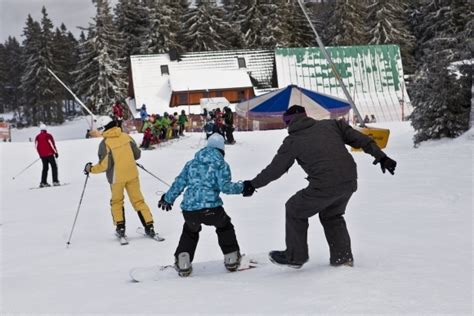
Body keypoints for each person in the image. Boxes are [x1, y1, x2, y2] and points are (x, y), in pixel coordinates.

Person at [242, 105, 397, 269]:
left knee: (295, 208)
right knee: (332, 215)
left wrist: (253, 184)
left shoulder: (293, 141)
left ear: (288, 123)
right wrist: (382, 157)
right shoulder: (332, 125)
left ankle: (295, 256)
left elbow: (275, 169)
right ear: (306, 116)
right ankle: (342, 258)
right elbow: (362, 139)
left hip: (325, 184)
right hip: (349, 180)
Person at [158, 133, 244, 277]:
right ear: (222, 150)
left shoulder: (191, 163)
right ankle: (231, 258)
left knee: (190, 231)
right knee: (224, 226)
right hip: (212, 210)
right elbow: (226, 187)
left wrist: (167, 198)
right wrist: (243, 187)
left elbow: (179, 183)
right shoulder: (221, 164)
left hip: (190, 211)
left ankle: (183, 261)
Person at [83, 117, 157, 239]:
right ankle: (149, 226)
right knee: (138, 201)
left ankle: (120, 228)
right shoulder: (126, 136)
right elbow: (137, 154)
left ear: (104, 128)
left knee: (117, 202)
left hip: (116, 178)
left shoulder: (105, 143)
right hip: (132, 174)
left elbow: (104, 166)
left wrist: (90, 169)